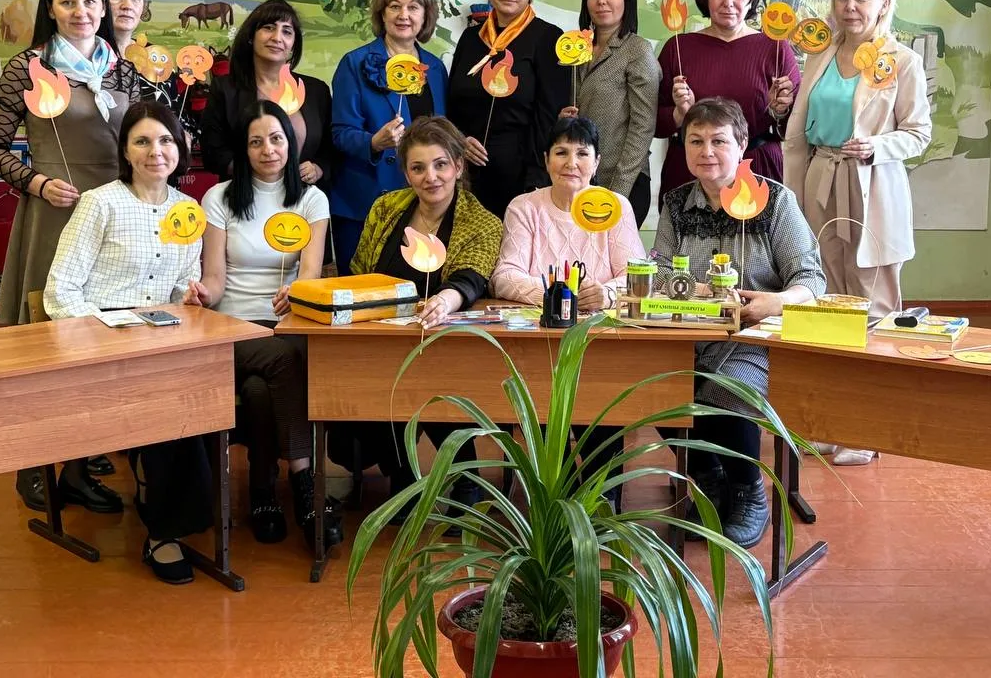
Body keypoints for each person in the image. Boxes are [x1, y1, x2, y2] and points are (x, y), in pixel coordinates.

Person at [0, 0, 136, 513]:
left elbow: (136, 139)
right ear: (50, 8)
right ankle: (34, 466)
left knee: (100, 345)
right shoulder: (28, 69)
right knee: (49, 346)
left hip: (113, 219)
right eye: (68, 2)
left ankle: (77, 462)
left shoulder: (121, 68)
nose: (81, 12)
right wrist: (38, 182)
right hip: (56, 216)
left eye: (91, 2)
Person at [44, 101, 207, 584]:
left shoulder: (188, 212)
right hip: (102, 344)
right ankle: (162, 532)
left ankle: (178, 512)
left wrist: (188, 298)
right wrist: (106, 335)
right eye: (142, 141)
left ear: (180, 148)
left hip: (160, 343)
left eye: (166, 140)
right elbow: (60, 292)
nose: (156, 151)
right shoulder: (101, 204)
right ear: (126, 151)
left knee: (199, 398)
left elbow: (179, 289)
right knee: (163, 405)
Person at [654, 97, 825, 547]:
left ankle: (749, 491)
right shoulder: (675, 203)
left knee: (727, 387)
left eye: (718, 141)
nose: (706, 151)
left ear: (742, 145)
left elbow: (811, 279)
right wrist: (697, 292)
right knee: (652, 384)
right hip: (688, 335)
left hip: (755, 338)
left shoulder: (776, 201)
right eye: (695, 141)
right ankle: (709, 479)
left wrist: (775, 302)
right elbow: (661, 270)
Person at [784, 0, 930, 467]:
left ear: (884, 3)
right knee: (827, 303)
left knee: (874, 304)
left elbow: (918, 133)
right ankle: (832, 423)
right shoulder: (820, 53)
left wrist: (877, 146)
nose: (850, 7)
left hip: (872, 186)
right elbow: (801, 129)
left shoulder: (902, 61)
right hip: (819, 180)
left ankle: (867, 428)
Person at [184, 100, 342, 549]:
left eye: (275, 139)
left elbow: (309, 275)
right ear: (244, 148)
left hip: (287, 323)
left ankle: (262, 491)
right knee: (283, 360)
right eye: (256, 142)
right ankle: (305, 481)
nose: (267, 150)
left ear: (290, 144)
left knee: (259, 388)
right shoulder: (219, 198)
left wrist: (297, 292)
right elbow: (216, 278)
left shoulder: (311, 199)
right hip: (231, 327)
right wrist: (203, 294)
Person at [348, 116, 502, 526]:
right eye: (418, 168)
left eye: (440, 164)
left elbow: (471, 278)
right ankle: (404, 474)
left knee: (431, 371)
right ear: (406, 173)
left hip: (445, 341)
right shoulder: (385, 208)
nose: (430, 177)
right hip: (381, 339)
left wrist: (444, 301)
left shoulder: (483, 222)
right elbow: (359, 271)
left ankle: (465, 477)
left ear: (458, 166)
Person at [491, 116, 645, 510]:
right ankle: (551, 494)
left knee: (602, 394)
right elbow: (504, 277)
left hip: (600, 341)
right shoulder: (524, 207)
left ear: (597, 162)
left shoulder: (616, 207)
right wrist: (562, 297)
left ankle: (602, 491)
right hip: (538, 341)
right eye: (561, 152)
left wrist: (605, 293)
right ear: (546, 160)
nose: (571, 163)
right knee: (543, 397)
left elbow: (636, 277)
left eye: (582, 153)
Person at [656, 0, 799, 206]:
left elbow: (796, 127)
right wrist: (680, 113)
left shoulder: (775, 48)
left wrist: (780, 110)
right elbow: (655, 123)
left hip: (756, 169)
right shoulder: (678, 48)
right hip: (690, 172)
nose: (728, 2)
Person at [331, 0, 449, 274]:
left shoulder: (435, 69)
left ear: (425, 15)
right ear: (382, 14)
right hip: (364, 203)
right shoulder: (354, 63)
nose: (403, 15)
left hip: (420, 202)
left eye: (413, 7)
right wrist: (373, 142)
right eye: (394, 6)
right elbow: (340, 133)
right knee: (360, 292)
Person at [446, 0, 565, 219]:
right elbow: (452, 105)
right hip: (464, 177)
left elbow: (548, 119)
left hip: (520, 180)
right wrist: (459, 141)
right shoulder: (471, 38)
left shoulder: (548, 38)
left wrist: (535, 182)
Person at [560, 0, 660, 225]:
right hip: (579, 178)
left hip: (623, 183)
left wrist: (617, 192)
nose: (601, 0)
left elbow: (643, 126)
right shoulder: (577, 48)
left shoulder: (637, 50)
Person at [201, 0, 332, 190]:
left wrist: (318, 168)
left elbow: (331, 147)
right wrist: (260, 175)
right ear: (251, 36)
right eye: (269, 28)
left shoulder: (316, 90)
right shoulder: (225, 89)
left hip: (304, 197)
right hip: (244, 197)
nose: (277, 37)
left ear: (294, 44)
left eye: (287, 31)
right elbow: (212, 152)